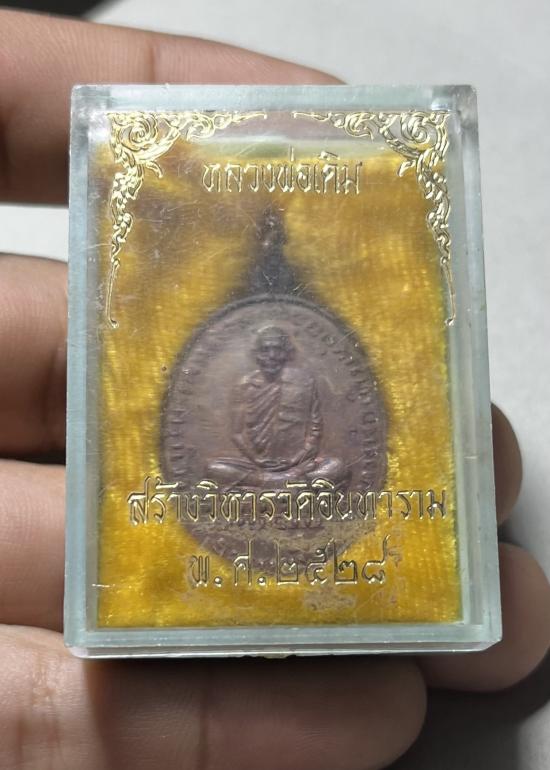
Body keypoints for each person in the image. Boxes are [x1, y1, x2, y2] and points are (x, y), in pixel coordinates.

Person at [0, 9, 548, 770]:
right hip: (249, 477)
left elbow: (319, 431)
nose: (266, 356)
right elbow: (238, 434)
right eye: (260, 348)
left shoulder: (306, 379)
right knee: (228, 468)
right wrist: (263, 465)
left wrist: (299, 464)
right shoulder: (239, 385)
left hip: (306, 475)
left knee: (330, 468)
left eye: (275, 347)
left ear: (286, 346)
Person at [208, 326, 347, 487]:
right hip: (255, 464)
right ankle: (285, 481)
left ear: (287, 353)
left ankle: (270, 481)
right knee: (213, 468)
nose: (272, 356)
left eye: (278, 350)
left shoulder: (304, 382)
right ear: (256, 355)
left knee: (337, 467)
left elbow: (315, 430)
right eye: (265, 350)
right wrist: (257, 459)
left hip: (297, 463)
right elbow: (237, 433)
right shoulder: (244, 385)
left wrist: (296, 459)